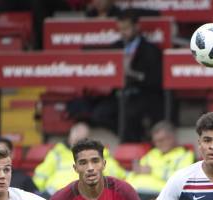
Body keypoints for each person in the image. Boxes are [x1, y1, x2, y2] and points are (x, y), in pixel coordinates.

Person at [68, 10, 163, 142]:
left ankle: (134, 141)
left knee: (130, 114)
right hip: (117, 94)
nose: (123, 32)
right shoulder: (114, 47)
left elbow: (155, 80)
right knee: (100, 113)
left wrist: (135, 77)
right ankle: (127, 138)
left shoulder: (150, 49)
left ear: (136, 27)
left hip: (141, 94)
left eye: (126, 28)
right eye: (120, 29)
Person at [33, 123, 127, 198]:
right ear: (70, 136)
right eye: (75, 138)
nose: (77, 142)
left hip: (84, 195)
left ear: (87, 138)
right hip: (54, 194)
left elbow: (116, 174)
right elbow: (40, 176)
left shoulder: (98, 153)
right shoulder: (57, 152)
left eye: (81, 139)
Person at [127, 121, 195, 200]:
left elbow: (180, 179)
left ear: (172, 138)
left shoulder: (185, 155)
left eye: (161, 140)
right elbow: (137, 171)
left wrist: (152, 171)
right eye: (155, 141)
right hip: (135, 192)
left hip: (159, 195)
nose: (158, 144)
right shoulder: (153, 153)